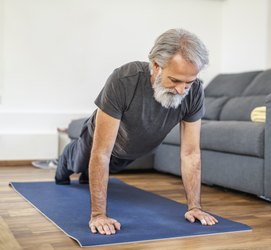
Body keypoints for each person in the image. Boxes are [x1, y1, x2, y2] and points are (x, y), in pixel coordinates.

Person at [55, 28, 218, 235]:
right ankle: (64, 160)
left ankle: (87, 175)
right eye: (175, 80)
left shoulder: (194, 93)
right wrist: (98, 215)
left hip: (132, 149)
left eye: (189, 82)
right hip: (99, 143)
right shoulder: (124, 80)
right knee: (76, 162)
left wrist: (195, 206)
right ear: (156, 66)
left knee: (102, 170)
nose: (181, 89)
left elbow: (190, 153)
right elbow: (101, 153)